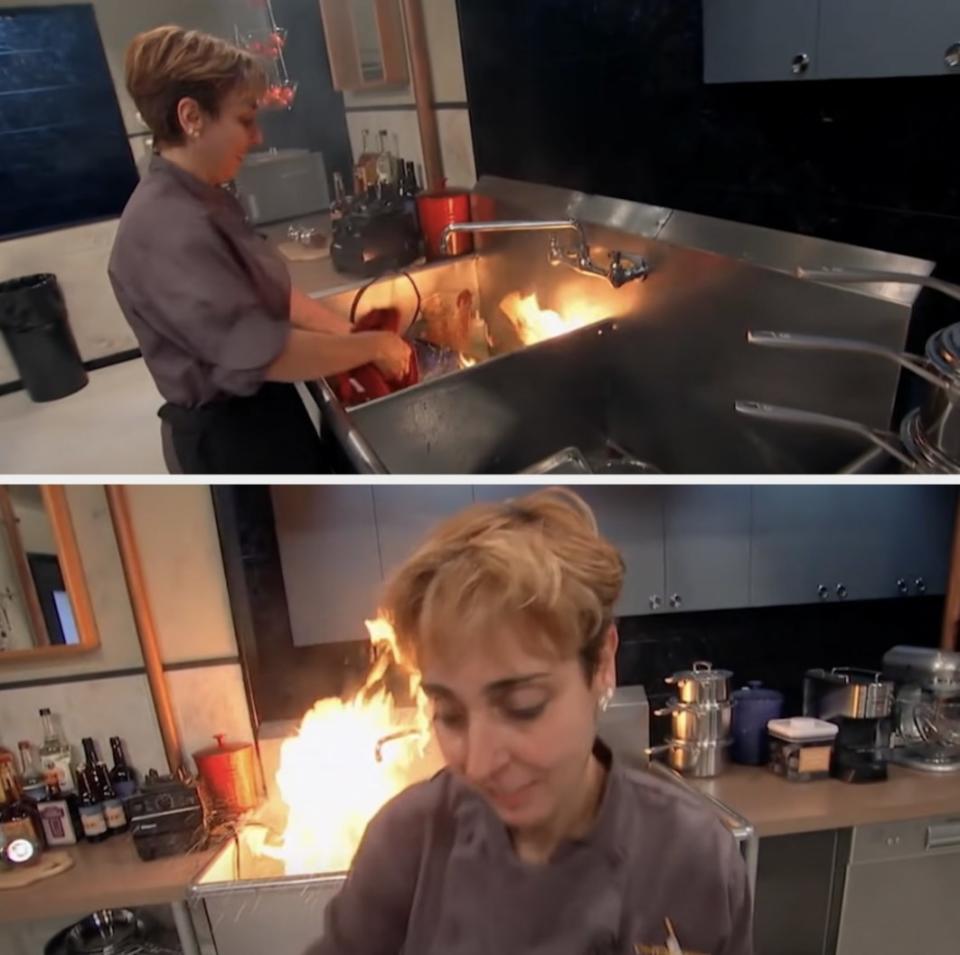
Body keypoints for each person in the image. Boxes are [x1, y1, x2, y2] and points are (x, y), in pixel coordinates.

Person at [312, 489, 753, 955]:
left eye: (523, 705)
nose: (480, 765)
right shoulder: (406, 845)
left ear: (602, 661)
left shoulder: (692, 857)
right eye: (450, 715)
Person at [108, 26, 411, 474]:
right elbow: (268, 352)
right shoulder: (168, 226)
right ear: (191, 116)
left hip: (262, 411)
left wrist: (342, 333)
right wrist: (373, 346)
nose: (257, 137)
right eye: (245, 119)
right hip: (231, 442)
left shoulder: (200, 194)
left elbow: (257, 291)